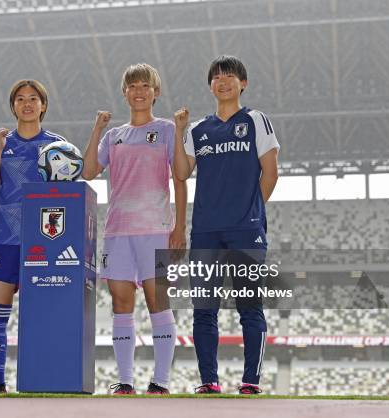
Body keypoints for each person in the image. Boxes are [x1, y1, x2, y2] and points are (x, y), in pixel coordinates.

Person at [172, 55, 280, 395]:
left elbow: (271, 171)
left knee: (250, 305)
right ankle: (209, 381)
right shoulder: (198, 129)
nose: (223, 80)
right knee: (204, 309)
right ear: (210, 85)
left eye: (230, 75)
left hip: (245, 230)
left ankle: (251, 381)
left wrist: (249, 211)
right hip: (205, 231)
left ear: (242, 83)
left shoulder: (255, 120)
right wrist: (178, 131)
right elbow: (180, 172)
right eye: (217, 76)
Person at [82, 63, 187, 395]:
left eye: (145, 85)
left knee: (158, 300)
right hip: (118, 231)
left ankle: (161, 382)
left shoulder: (168, 129)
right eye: (132, 86)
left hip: (156, 228)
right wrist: (97, 129)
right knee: (120, 302)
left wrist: (179, 226)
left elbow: (181, 176)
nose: (139, 91)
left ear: (155, 92)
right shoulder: (115, 136)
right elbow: (87, 172)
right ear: (124, 92)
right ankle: (125, 380)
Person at [0, 79, 66, 393]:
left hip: (44, 240)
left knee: (40, 316)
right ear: (13, 105)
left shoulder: (58, 146)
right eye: (20, 99)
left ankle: (38, 381)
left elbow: (67, 193)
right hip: (4, 238)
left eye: (33, 98)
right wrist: (0, 148)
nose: (27, 104)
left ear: (43, 105)